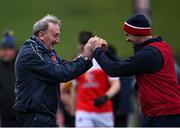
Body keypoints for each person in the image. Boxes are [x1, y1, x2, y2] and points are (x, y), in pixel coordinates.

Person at [85, 14, 180, 127]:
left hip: (164, 114)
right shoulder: (161, 47)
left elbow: (114, 70)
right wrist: (106, 52)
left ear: (137, 33)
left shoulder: (149, 54)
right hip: (163, 113)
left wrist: (96, 51)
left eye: (127, 34)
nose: (127, 39)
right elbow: (125, 66)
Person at [14, 15, 104, 127]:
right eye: (55, 35)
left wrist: (87, 56)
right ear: (41, 35)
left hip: (43, 116)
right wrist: (85, 58)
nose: (58, 40)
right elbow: (61, 73)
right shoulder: (32, 53)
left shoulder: (45, 50)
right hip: (34, 118)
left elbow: (64, 65)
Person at [71, 31, 120, 127]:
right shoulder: (77, 63)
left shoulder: (103, 61)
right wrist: (73, 109)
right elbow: (74, 88)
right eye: (83, 46)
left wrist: (106, 97)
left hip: (104, 111)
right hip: (83, 111)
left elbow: (116, 84)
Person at [0, 30, 19, 126]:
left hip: (25, 117)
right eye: (1, 50)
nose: (3, 53)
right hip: (5, 118)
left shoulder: (22, 64)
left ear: (13, 50)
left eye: (6, 49)